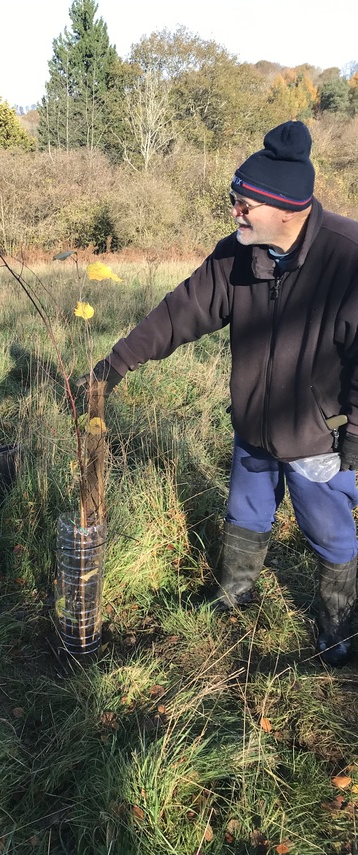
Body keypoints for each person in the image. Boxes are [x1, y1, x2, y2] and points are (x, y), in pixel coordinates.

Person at [87, 120, 358, 667]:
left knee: (331, 535)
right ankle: (235, 599)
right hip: (253, 430)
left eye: (243, 204)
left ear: (286, 209)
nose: (234, 212)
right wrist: (114, 366)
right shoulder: (237, 254)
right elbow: (179, 312)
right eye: (233, 201)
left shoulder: (348, 258)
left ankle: (340, 626)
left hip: (319, 439)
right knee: (246, 514)